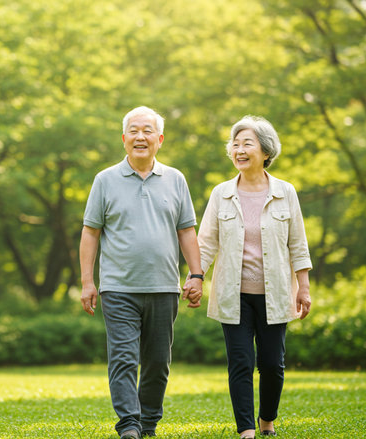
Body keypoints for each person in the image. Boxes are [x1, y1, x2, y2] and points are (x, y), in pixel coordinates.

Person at [80, 106, 203, 439]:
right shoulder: (104, 180)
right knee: (123, 358)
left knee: (157, 363)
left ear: (159, 139)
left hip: (164, 288)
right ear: (124, 139)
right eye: (133, 130)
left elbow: (187, 230)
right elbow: (90, 232)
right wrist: (88, 282)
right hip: (118, 288)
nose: (140, 136)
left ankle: (147, 423)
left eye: (148, 131)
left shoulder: (176, 179)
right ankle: (129, 425)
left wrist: (197, 275)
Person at [193, 115, 312, 439]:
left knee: (273, 365)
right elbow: (206, 243)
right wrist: (195, 277)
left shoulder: (285, 192)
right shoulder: (221, 193)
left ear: (266, 151)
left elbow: (297, 244)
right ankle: (246, 428)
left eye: (248, 143)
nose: (239, 149)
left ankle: (267, 421)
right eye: (235, 143)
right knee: (241, 363)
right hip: (234, 295)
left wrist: (303, 288)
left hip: (275, 295)